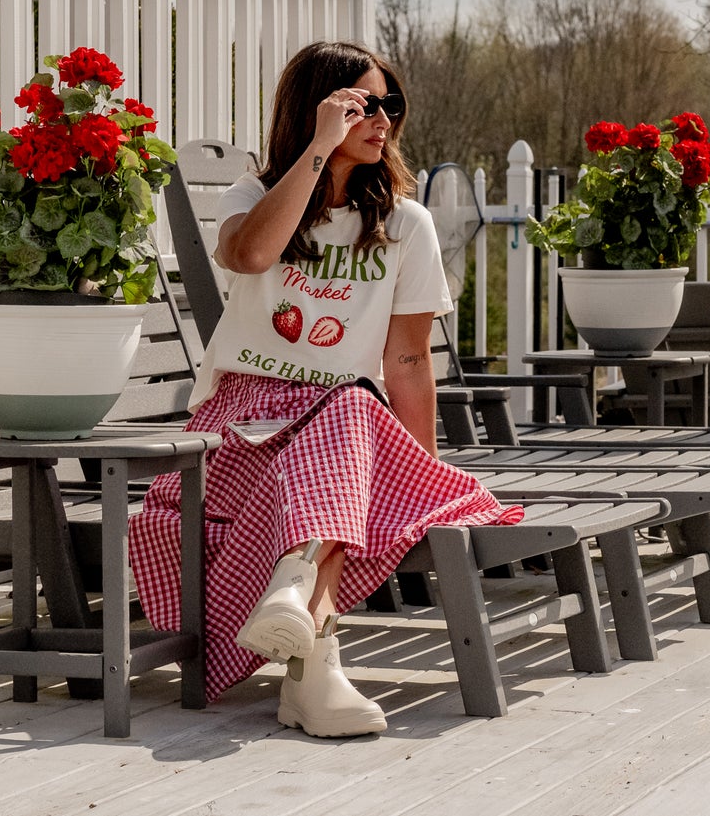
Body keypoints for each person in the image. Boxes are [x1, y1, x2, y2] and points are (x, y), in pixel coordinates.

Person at [127, 40, 522, 737]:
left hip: (343, 430)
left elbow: (406, 360)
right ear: (314, 113)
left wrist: (418, 466)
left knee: (350, 401)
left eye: (389, 104)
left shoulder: (407, 224)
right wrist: (318, 149)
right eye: (360, 105)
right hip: (242, 424)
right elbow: (250, 254)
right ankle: (313, 663)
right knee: (350, 403)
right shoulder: (253, 196)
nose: (381, 119)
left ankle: (301, 606)